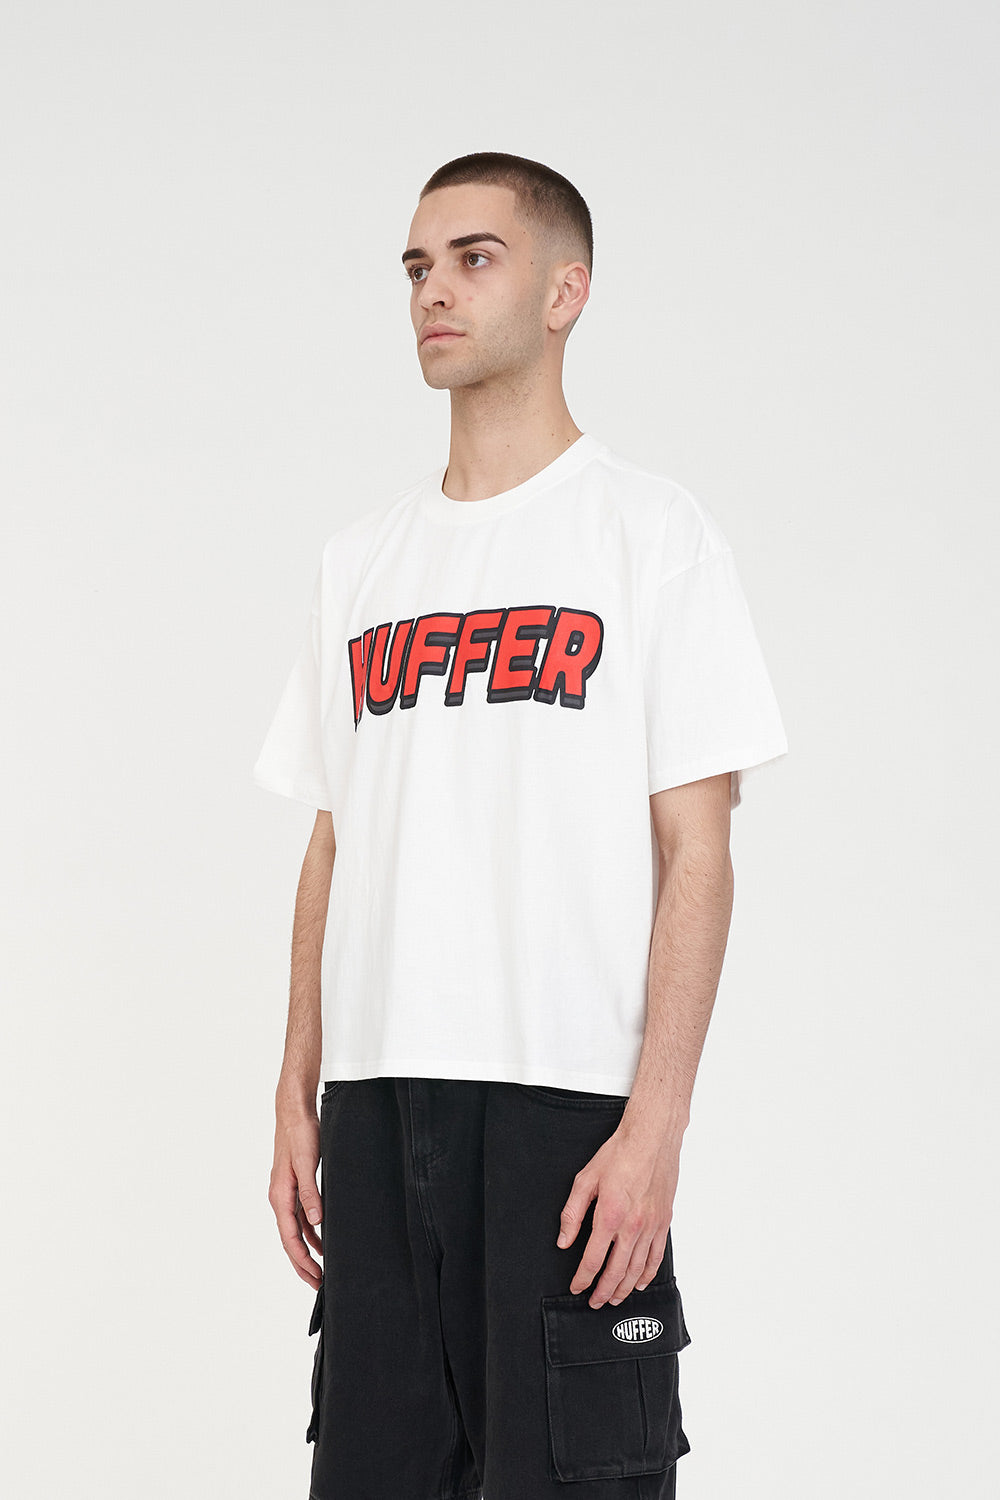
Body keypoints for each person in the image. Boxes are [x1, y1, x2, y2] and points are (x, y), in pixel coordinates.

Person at [253, 150, 788, 1500]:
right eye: (417, 267)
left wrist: (656, 1126)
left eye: (473, 258)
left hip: (568, 1114)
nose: (432, 290)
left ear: (566, 292)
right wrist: (297, 1090)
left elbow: (699, 853)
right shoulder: (360, 562)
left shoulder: (651, 536)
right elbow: (332, 841)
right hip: (376, 1110)